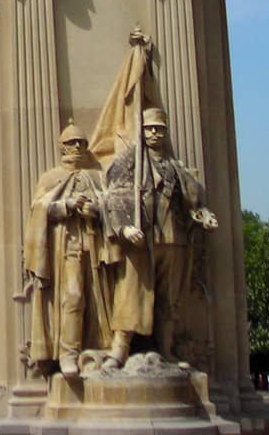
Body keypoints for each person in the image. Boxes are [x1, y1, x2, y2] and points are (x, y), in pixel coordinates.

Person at [100, 107, 217, 367]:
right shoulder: (128, 162)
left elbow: (192, 199)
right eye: (150, 128)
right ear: (141, 131)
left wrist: (204, 214)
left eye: (160, 129)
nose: (155, 133)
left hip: (173, 240)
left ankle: (167, 349)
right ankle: (119, 349)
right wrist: (124, 228)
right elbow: (112, 197)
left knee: (169, 298)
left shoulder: (175, 167)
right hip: (141, 240)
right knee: (131, 293)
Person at [23, 122, 109, 378]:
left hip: (94, 245)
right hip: (66, 245)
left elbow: (108, 204)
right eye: (72, 143)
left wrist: (94, 209)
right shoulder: (51, 178)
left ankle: (98, 349)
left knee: (96, 298)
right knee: (72, 296)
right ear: (62, 147)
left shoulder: (95, 177)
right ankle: (68, 353)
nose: (77, 147)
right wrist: (67, 206)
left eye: (81, 143)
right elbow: (39, 208)